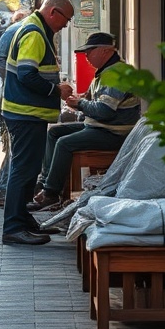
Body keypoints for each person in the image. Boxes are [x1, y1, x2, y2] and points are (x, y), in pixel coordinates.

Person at [28, 32, 140, 211]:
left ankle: (51, 194)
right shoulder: (106, 72)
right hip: (102, 127)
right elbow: (99, 105)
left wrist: (80, 103)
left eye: (90, 51)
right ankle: (45, 183)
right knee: (54, 132)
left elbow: (104, 111)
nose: (86, 55)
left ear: (105, 51)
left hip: (114, 132)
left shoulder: (118, 74)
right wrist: (83, 103)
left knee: (64, 143)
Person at [0, 0, 75, 245]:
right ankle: (13, 226)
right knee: (23, 170)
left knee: (29, 170)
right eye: (66, 20)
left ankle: (22, 220)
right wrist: (57, 91)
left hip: (26, 112)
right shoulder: (34, 33)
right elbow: (26, 75)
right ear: (54, 12)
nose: (66, 25)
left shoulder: (36, 29)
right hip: (25, 113)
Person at [0, 9, 28, 208]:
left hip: (15, 97)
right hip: (13, 99)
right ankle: (5, 189)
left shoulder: (23, 32)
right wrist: (19, 82)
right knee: (14, 145)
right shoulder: (16, 31)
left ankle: (4, 186)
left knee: (13, 146)